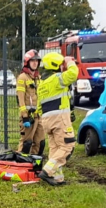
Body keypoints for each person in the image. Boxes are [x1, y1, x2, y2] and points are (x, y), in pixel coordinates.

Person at [36, 52, 78, 186]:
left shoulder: (42, 84)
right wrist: (70, 62)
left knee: (55, 149)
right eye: (60, 65)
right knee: (67, 146)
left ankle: (58, 178)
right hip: (59, 118)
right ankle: (47, 171)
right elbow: (73, 74)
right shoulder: (58, 78)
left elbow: (39, 106)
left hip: (46, 120)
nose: (62, 67)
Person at [16, 49, 45, 155]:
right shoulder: (22, 78)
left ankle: (34, 166)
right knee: (26, 143)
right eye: (32, 61)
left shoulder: (38, 78)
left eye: (37, 61)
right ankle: (20, 165)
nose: (35, 63)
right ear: (27, 62)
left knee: (40, 143)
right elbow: (20, 99)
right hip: (28, 117)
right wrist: (25, 117)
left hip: (39, 116)